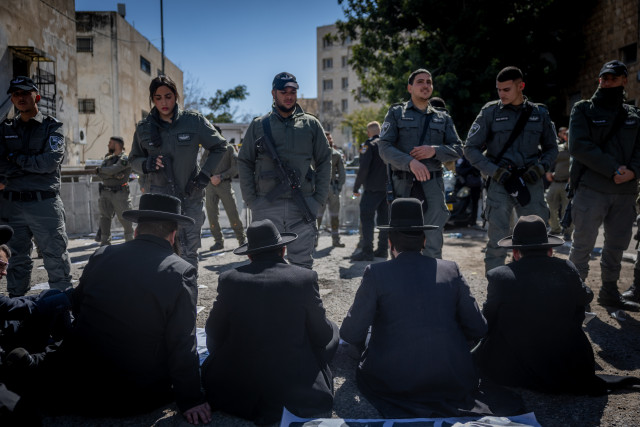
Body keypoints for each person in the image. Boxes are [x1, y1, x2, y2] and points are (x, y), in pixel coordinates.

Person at [28, 193, 211, 424]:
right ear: (173, 235)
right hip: (135, 396)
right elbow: (182, 341)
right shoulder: (181, 270)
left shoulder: (102, 254)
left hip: (82, 382)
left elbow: (77, 305)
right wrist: (191, 399)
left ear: (136, 231)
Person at [340, 198, 520, 418]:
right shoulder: (450, 269)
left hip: (393, 379)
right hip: (451, 376)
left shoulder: (376, 273)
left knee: (365, 339)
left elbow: (350, 332)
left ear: (390, 243)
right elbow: (478, 328)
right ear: (424, 240)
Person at [202, 219, 339, 424]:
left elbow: (213, 332)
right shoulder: (304, 278)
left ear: (249, 255)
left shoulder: (230, 279)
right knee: (333, 331)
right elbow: (323, 335)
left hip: (237, 383)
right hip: (293, 385)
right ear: (283, 250)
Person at [472, 215, 606, 394]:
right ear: (550, 250)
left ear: (515, 253)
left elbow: (487, 319)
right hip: (570, 364)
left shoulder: (500, 276)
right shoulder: (566, 267)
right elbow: (586, 297)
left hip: (516, 369)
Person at [464, 66, 558, 273]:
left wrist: (541, 168)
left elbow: (552, 147)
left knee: (536, 239)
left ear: (521, 86)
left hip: (530, 181)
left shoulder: (539, 113)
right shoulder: (490, 112)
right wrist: (494, 172)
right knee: (498, 240)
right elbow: (469, 148)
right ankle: (497, 288)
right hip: (500, 181)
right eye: (499, 90)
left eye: (506, 89)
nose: (501, 94)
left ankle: (535, 285)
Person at [129, 75, 229, 269]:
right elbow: (133, 159)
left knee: (189, 252)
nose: (164, 102)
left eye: (168, 96)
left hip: (190, 197)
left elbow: (220, 146)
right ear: (152, 99)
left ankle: (187, 297)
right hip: (158, 202)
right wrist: (146, 163)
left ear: (175, 96)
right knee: (157, 253)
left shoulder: (194, 121)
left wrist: (204, 175)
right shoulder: (143, 129)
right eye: (158, 98)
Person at [238, 72, 331, 269]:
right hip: (266, 205)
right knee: (265, 265)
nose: (289, 96)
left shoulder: (311, 124)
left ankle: (303, 301)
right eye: (283, 92)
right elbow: (245, 161)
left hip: (303, 205)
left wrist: (318, 200)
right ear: (273, 93)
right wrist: (252, 201)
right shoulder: (258, 125)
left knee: (303, 266)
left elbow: (324, 161)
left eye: (293, 91)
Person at [568, 60, 640, 312]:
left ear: (624, 80)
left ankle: (609, 291)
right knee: (583, 244)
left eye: (613, 78)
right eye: (603, 78)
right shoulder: (584, 109)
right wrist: (614, 169)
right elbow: (579, 146)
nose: (607, 82)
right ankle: (574, 293)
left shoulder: (633, 116)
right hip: (592, 189)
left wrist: (632, 171)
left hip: (625, 191)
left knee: (616, 245)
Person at [378, 69, 463, 259]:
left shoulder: (443, 117)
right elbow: (383, 147)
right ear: (410, 87)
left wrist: (434, 150)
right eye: (420, 82)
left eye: (429, 82)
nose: (425, 85)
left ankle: (431, 286)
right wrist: (410, 163)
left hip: (433, 186)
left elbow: (459, 148)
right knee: (401, 242)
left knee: (433, 242)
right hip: (403, 186)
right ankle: (402, 287)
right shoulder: (396, 113)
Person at [0, 76, 73, 297]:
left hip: (44, 204)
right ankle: (18, 315)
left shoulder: (53, 127)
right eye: (16, 94)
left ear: (37, 96)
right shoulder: (4, 129)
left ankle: (62, 313)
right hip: (12, 207)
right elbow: (0, 162)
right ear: (12, 98)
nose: (20, 97)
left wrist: (16, 159)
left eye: (25, 93)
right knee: (16, 263)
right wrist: (23, 163)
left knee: (56, 260)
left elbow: (49, 163)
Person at [351, 121, 389, 261]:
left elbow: (363, 168)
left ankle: (367, 251)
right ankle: (383, 250)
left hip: (372, 190)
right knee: (384, 220)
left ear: (368, 132)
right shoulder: (387, 144)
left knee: (367, 219)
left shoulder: (368, 145)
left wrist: (356, 187)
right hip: (387, 190)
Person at [204, 127, 246, 252]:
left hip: (224, 185)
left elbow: (236, 167)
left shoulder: (229, 148)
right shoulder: (208, 149)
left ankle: (242, 239)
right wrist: (210, 176)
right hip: (210, 185)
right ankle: (218, 241)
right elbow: (202, 164)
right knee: (212, 215)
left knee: (232, 213)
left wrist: (221, 176)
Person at [96, 136, 134, 246]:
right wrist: (115, 175)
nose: (108, 145)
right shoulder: (108, 159)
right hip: (105, 193)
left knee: (125, 218)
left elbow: (113, 169)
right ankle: (105, 243)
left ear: (117, 145)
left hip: (120, 194)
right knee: (105, 218)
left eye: (110, 143)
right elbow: (100, 174)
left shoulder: (125, 159)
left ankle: (130, 242)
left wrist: (110, 172)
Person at [316, 132, 346, 248]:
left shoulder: (335, 155)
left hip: (331, 188)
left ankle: (335, 239)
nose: (330, 140)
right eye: (328, 139)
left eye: (330, 138)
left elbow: (342, 174)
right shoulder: (317, 154)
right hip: (321, 189)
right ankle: (314, 240)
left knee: (334, 216)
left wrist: (338, 188)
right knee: (317, 217)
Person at [545, 126, 572, 240]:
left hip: (568, 183)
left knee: (567, 208)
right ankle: (555, 228)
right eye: (566, 134)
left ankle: (567, 232)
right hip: (556, 181)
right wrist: (548, 172)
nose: (568, 136)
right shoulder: (559, 148)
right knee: (550, 202)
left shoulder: (576, 149)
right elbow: (552, 160)